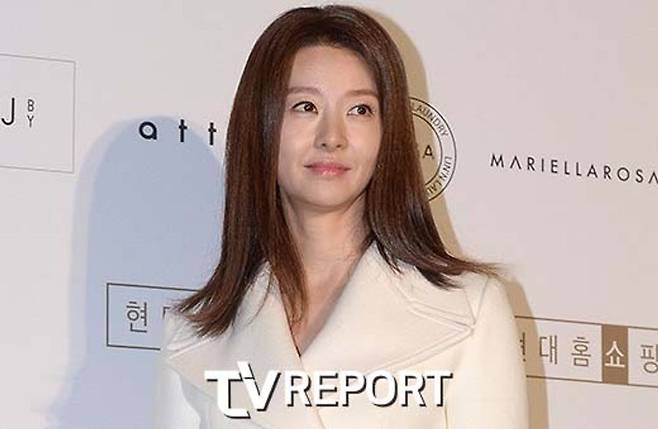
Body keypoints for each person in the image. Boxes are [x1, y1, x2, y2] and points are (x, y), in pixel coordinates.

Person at [152, 4, 529, 428]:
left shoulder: (468, 310)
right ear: (261, 125)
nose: (332, 137)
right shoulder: (195, 334)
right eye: (305, 107)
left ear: (388, 133)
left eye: (360, 110)